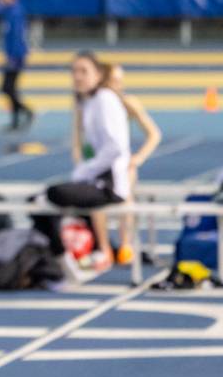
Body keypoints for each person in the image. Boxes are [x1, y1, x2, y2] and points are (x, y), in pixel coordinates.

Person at [33, 51, 132, 274]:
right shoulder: (89, 101)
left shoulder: (105, 100)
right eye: (74, 72)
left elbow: (116, 147)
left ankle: (71, 260)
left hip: (109, 185)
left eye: (84, 71)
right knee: (39, 201)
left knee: (53, 194)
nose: (77, 77)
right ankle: (70, 257)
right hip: (96, 180)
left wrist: (86, 171)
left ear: (98, 74)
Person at [88, 63, 162, 265]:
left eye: (120, 81)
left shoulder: (127, 102)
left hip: (121, 164)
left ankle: (125, 245)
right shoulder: (94, 103)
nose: (117, 86)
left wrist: (138, 158)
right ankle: (103, 247)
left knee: (125, 200)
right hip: (100, 163)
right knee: (95, 203)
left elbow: (154, 133)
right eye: (113, 81)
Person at [0, 0, 34, 130]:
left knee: (8, 88)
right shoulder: (8, 11)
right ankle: (16, 119)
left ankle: (25, 112)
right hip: (12, 55)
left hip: (16, 56)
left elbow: (18, 36)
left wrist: (13, 57)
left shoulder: (16, 12)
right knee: (8, 88)